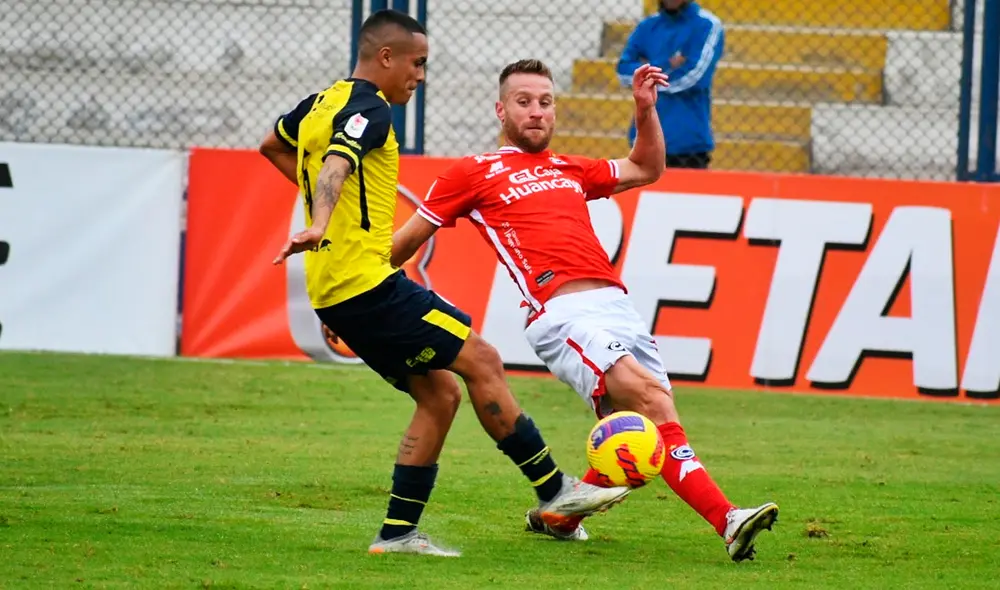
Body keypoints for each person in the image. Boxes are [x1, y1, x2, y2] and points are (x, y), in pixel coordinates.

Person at [258, 11, 630, 558]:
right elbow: (339, 160)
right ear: (386, 57)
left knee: (439, 395)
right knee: (481, 360)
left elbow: (271, 143)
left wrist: (326, 212)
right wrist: (320, 218)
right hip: (368, 286)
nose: (420, 75)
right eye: (417, 63)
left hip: (335, 290)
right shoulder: (369, 108)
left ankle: (397, 535)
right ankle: (557, 490)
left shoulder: (319, 103)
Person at [391, 58, 778, 562]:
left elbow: (647, 167)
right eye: (524, 102)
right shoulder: (474, 171)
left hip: (618, 308)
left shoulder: (568, 168)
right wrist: (362, 290)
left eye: (545, 102)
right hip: (562, 314)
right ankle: (728, 521)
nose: (536, 112)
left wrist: (644, 109)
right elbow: (407, 242)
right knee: (650, 401)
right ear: (500, 110)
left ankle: (560, 514)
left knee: (647, 434)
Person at [616, 0, 724, 169]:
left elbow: (694, 78)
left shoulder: (706, 25)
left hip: (687, 145)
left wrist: (647, 76)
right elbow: (623, 71)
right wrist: (666, 63)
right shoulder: (647, 26)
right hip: (643, 142)